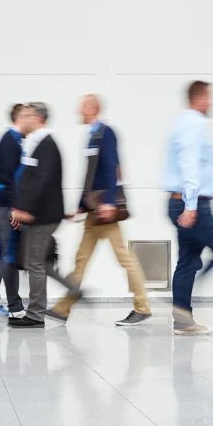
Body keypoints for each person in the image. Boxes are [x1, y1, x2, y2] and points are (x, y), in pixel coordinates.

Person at [51, 94, 151, 326]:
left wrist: (109, 202)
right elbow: (89, 177)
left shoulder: (106, 133)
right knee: (81, 259)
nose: (79, 110)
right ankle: (62, 308)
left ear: (93, 108)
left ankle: (142, 306)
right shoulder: (92, 136)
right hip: (93, 211)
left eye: (82, 106)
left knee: (124, 258)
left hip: (105, 211)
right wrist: (78, 208)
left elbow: (111, 167)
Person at [163, 81, 213, 335]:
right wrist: (191, 205)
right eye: (209, 97)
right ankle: (190, 302)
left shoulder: (182, 122)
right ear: (199, 98)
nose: (212, 102)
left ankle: (183, 319)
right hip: (192, 203)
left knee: (187, 260)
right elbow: (190, 163)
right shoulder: (195, 123)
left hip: (182, 201)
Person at [8, 102, 65, 329]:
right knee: (36, 263)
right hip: (39, 213)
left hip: (43, 215)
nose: (24, 119)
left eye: (27, 115)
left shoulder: (46, 144)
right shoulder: (39, 143)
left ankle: (35, 314)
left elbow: (40, 181)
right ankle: (36, 311)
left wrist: (24, 209)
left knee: (35, 264)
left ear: (38, 118)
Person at [0, 104, 26, 318]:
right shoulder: (10, 141)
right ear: (20, 117)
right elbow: (8, 177)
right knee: (6, 252)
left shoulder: (14, 141)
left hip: (5, 203)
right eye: (28, 115)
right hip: (8, 205)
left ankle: (13, 303)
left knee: (8, 252)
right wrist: (15, 208)